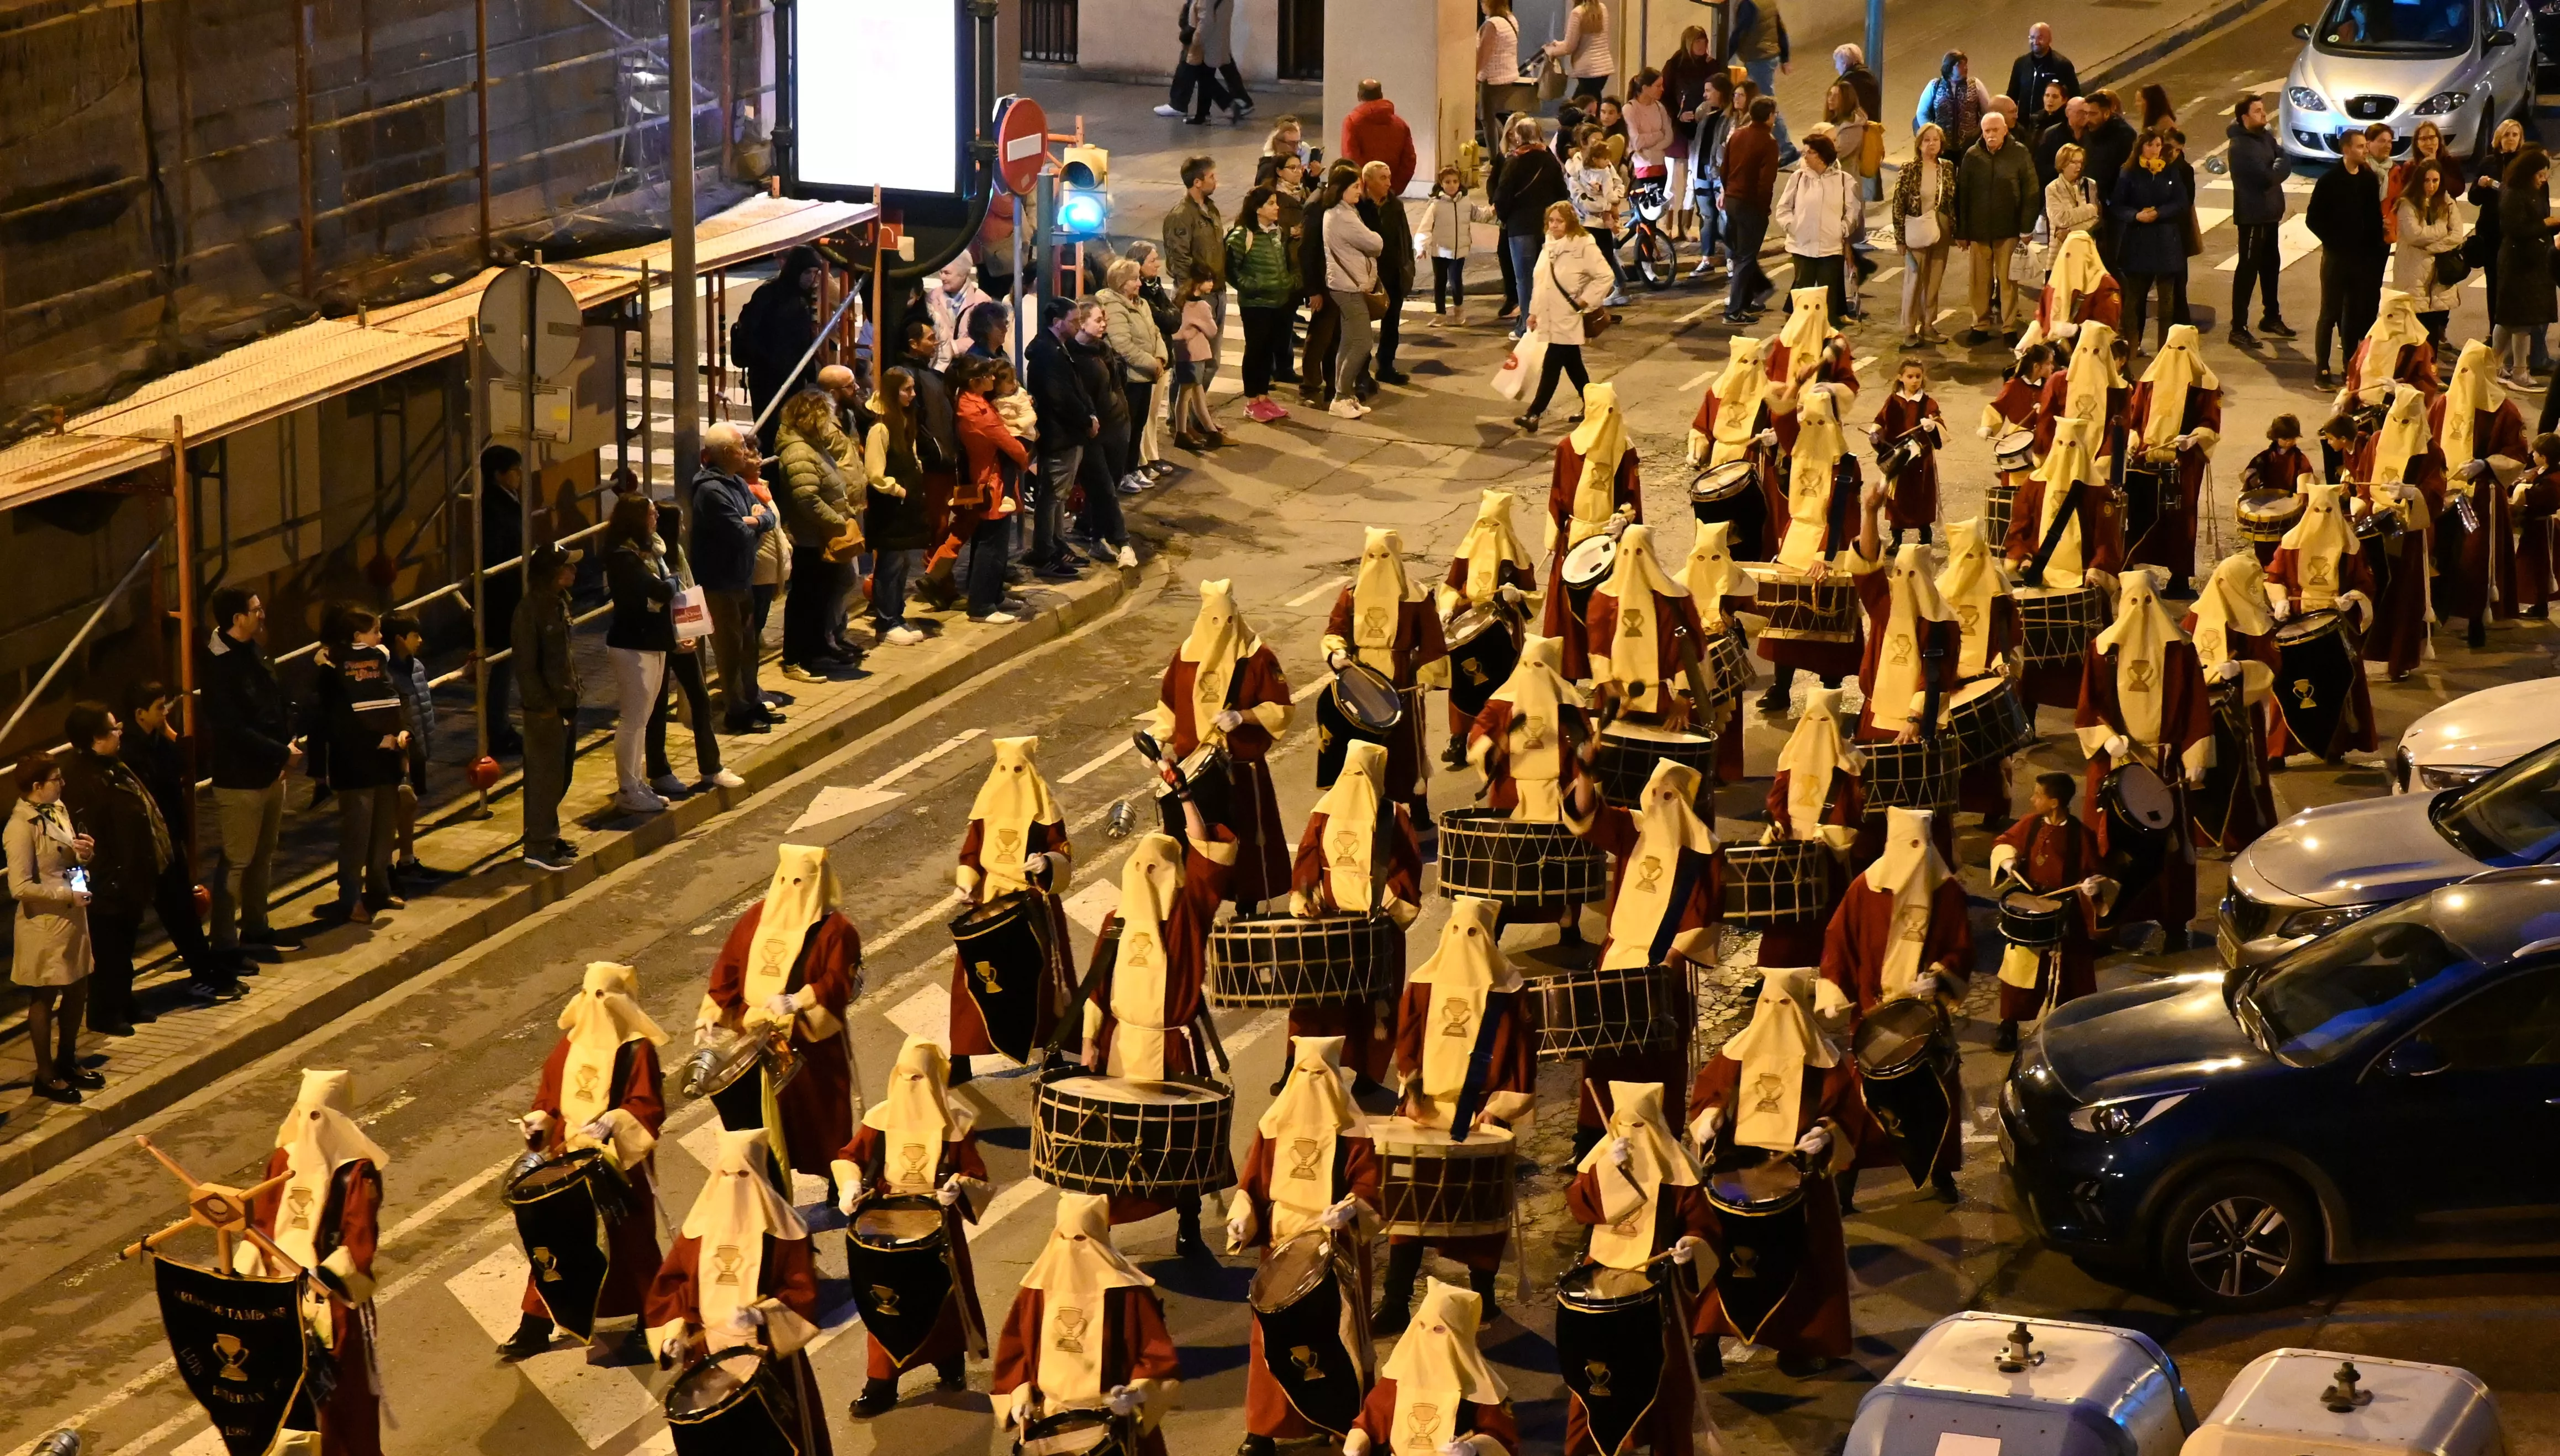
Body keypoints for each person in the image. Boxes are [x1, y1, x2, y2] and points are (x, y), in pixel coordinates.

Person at [1685, 968, 1857, 1373]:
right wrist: (1710, 1116)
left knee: (1804, 1264)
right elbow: (1711, 1093)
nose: (1773, 1012)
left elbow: (1844, 1113)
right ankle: (1705, 1338)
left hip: (1800, 1178)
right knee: (1720, 1258)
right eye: (1766, 1003)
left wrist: (1825, 1133)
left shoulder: (1824, 1061)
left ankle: (1800, 1344)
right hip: (1737, 1175)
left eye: (1784, 1004)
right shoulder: (1737, 1051)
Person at [1080, 793, 1232, 1252]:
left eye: (1158, 869)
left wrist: (1186, 796)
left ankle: (1189, 1221)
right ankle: (1100, 1223)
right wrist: (1088, 1040)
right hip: (1120, 1045)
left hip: (1170, 1047)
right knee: (1116, 1139)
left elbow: (1208, 853)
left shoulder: (1188, 917)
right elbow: (1096, 989)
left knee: (1179, 1137)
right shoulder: (1115, 922)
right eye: (1140, 868)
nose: (1148, 878)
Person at [497, 961, 668, 1360]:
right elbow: (550, 1097)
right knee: (556, 1241)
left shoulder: (636, 1048)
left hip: (618, 1160)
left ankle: (653, 1319)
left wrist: (614, 1120)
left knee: (632, 1241)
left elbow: (647, 1105)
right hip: (569, 1158)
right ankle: (536, 1322)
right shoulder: (569, 1045)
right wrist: (540, 1119)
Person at [1377, 897, 1535, 1330]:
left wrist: (1497, 1109)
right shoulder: (1425, 982)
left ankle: (1482, 1296)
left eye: (1473, 932)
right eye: (1455, 931)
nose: (1462, 941)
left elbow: (1522, 1058)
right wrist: (1412, 1089)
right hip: (1425, 1113)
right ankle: (1395, 1301)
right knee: (1410, 1208)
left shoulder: (1508, 987)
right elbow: (1407, 1042)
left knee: (1481, 1213)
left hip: (1482, 1115)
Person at [1228, 1036, 1380, 1456]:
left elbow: (1367, 1183)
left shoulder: (1352, 1129)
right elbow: (1253, 1181)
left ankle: (1343, 1419)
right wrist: (1243, 1214)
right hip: (1282, 1243)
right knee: (1270, 1338)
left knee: (1338, 1336)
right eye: (1304, 1073)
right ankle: (1263, 1426)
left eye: (1320, 1074)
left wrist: (1350, 1210)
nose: (1312, 1082)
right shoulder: (1273, 1125)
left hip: (1336, 1248)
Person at [1562, 757, 1719, 1157]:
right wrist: (1583, 775)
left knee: (1657, 1058)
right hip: (1616, 959)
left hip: (1662, 971)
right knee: (1602, 1055)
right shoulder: (1633, 829)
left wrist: (1672, 957)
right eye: (1655, 793)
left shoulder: (1703, 851)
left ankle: (1657, 1137)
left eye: (1670, 796)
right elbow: (1589, 816)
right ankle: (1592, 1138)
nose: (1660, 802)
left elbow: (1706, 915)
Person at [645, 1127, 832, 1453]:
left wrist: (764, 1314)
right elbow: (675, 1284)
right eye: (726, 1174)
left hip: (768, 1358)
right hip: (709, 1358)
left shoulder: (785, 1232)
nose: (734, 1182)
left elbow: (801, 1293)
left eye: (743, 1174)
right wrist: (673, 1335)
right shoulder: (699, 1230)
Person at [1822, 806, 1972, 1200]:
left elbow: (1960, 945)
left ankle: (1940, 1172)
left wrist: (1939, 976)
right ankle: (1847, 1181)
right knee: (1867, 1104)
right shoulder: (1865, 888)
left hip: (1926, 1016)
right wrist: (1834, 988)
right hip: (1875, 1011)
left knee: (1936, 1097)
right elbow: (1840, 938)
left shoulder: (1945, 889)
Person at [835, 1037, 991, 1415]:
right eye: (905, 1077)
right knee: (885, 1303)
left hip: (938, 1223)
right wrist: (851, 1185)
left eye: (919, 1078)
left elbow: (975, 1174)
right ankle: (882, 1381)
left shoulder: (956, 1122)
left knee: (943, 1300)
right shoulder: (880, 1117)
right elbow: (849, 1157)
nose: (911, 1085)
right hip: (885, 1218)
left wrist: (959, 1188)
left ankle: (949, 1360)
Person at [240, 1070, 388, 1454]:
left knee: (342, 1400)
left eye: (318, 1114)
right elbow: (261, 1222)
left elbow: (359, 1241)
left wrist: (321, 1278)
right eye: (303, 1112)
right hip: (279, 1298)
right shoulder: (282, 1159)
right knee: (282, 1400)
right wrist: (246, 1271)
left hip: (330, 1302)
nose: (309, 1124)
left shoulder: (355, 1172)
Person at [701, 844, 862, 1190]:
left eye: (800, 882)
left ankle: (838, 1178)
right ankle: (770, 1182)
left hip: (809, 1039)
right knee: (768, 1114)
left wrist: (799, 1000)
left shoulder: (837, 929)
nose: (792, 889)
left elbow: (838, 979)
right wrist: (713, 1010)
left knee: (822, 1112)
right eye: (786, 880)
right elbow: (729, 964)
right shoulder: (756, 917)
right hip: (755, 1033)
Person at [1560, 1083, 1711, 1452]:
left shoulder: (1679, 1174)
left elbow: (1701, 1226)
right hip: (1602, 1281)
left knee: (1668, 1382)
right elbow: (1581, 1206)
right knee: (1592, 1381)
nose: (1631, 1136)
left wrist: (1691, 1247)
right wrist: (1606, 1170)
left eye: (1639, 1127)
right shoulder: (1602, 1164)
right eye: (1622, 1126)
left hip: (1661, 1289)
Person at [2075, 568, 2214, 946]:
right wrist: (2106, 739)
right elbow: (2088, 707)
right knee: (2109, 850)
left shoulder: (2180, 648)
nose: (2138, 610)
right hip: (2114, 763)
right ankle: (2107, 925)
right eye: (2131, 601)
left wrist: (2194, 752)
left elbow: (2195, 707)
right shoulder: (2102, 649)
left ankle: (2172, 922)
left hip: (2163, 763)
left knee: (2170, 850)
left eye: (2146, 601)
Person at [1146, 579, 1293, 907]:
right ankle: (1196, 906)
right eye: (1214, 620)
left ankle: (1248, 905)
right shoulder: (1184, 657)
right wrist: (1157, 737)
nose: (1222, 627)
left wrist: (1245, 717)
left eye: (1227, 619)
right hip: (1194, 769)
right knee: (1196, 844)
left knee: (1248, 844)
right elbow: (1169, 707)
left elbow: (1281, 708)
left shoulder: (1256, 655)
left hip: (1241, 769)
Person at [996, 1195, 1181, 1456]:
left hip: (1110, 1415)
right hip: (1052, 1417)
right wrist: (1019, 1398)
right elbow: (1015, 1353)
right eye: (1064, 1238)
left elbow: (1156, 1355)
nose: (1072, 1248)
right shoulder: (1035, 1291)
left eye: (1081, 1239)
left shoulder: (1129, 1293)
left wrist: (1136, 1394)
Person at [946, 736, 1076, 1085]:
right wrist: (966, 882)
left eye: (1018, 769)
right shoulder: (986, 812)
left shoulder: (1044, 811)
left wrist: (1046, 862)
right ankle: (961, 1055)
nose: (1011, 776)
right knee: (973, 981)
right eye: (1004, 769)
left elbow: (1062, 852)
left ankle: (1053, 1049)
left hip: (1030, 902)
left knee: (1043, 979)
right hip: (990, 902)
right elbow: (971, 853)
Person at [120, 682, 247, 999]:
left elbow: (188, 764)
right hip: (150, 846)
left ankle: (205, 970)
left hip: (168, 839)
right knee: (172, 912)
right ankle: (202, 974)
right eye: (160, 708)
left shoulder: (158, 742)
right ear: (140, 714)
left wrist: (171, 733)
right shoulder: (133, 753)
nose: (166, 713)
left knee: (182, 912)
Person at [1322, 528, 1449, 830]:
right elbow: (1335, 630)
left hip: (1402, 681)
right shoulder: (1351, 595)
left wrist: (1429, 675)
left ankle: (1418, 812)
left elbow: (1432, 639)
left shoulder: (1416, 596)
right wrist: (1336, 652)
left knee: (1407, 750)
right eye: (1371, 556)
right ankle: (1364, 807)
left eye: (1384, 556)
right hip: (1360, 683)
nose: (1377, 562)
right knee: (1361, 746)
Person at [1756, 383, 1874, 710]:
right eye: (1807, 421)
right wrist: (1789, 389)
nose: (1811, 429)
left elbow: (1844, 514)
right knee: (1786, 623)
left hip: (1829, 546)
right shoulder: (1800, 447)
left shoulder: (1847, 464)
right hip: (1796, 541)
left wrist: (1826, 555)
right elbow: (1782, 420)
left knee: (1830, 623)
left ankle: (1829, 692)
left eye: (1818, 422)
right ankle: (1781, 689)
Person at [201, 586, 302, 960]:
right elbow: (231, 728)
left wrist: (286, 741)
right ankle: (225, 943)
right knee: (237, 860)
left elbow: (272, 701)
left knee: (264, 854)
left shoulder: (253, 650)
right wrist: (280, 751)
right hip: (241, 780)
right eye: (255, 610)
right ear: (236, 619)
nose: (262, 614)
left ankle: (256, 927)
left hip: (271, 772)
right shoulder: (218, 665)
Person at [57, 702, 167, 1034]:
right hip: (106, 882)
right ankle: (105, 1013)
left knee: (124, 946)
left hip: (126, 875)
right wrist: (84, 891)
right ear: (95, 739)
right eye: (113, 728)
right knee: (108, 952)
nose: (120, 733)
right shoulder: (82, 781)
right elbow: (76, 842)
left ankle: (123, 1001)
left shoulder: (112, 767)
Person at [1987, 774, 2113, 1051]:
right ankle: (2009, 1024)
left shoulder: (2081, 835)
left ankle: (2067, 1025)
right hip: (2030, 906)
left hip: (2063, 913)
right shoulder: (2030, 825)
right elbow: (2004, 840)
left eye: (2038, 795)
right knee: (2017, 971)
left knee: (2068, 974)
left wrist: (2093, 887)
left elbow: (2100, 874)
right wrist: (2007, 858)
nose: (2032, 799)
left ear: (2054, 802)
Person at [2261, 483, 2380, 762]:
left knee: (2337, 685)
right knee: (2288, 685)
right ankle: (2278, 750)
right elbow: (2274, 578)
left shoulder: (2350, 546)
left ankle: (2333, 745)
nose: (2323, 516)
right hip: (2299, 620)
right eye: (2317, 510)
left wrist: (2354, 597)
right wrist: (2280, 601)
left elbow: (2366, 582)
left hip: (2335, 623)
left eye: (2329, 510)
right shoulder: (2291, 542)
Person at [308, 606, 409, 921]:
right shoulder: (332, 672)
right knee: (357, 835)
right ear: (356, 637)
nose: (381, 638)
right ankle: (351, 899)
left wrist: (402, 731)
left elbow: (394, 699)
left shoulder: (378, 663)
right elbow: (335, 722)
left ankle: (379, 890)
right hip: (355, 763)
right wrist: (375, 739)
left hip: (385, 760)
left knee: (382, 833)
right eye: (375, 632)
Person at [2179, 549, 2283, 845]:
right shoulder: (2198, 615)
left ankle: (2241, 834)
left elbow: (2273, 666)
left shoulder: (2256, 622)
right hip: (2201, 707)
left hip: (2239, 709)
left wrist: (2242, 669)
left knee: (2240, 774)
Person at [2432, 340, 2530, 646]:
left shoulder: (2505, 410)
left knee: (2476, 557)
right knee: (2443, 554)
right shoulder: (2443, 404)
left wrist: (2486, 464)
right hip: (2445, 493)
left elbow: (2517, 455)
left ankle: (2478, 617)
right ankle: (2440, 612)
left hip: (2482, 494)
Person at [10, 753, 95, 1104]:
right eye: (56, 779)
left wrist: (84, 858)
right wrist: (64, 894)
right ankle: (45, 1075)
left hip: (72, 916)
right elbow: (19, 887)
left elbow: (68, 858)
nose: (63, 784)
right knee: (46, 994)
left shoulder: (58, 808)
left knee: (78, 987)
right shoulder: (20, 827)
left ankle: (68, 1059)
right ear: (37, 787)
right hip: (43, 923)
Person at [1935, 518, 2025, 827]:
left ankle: (1995, 808)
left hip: (1986, 676)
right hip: (1951, 678)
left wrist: (2003, 660)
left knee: (1994, 751)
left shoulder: (1998, 590)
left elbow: (2008, 634)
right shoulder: (1940, 590)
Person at [690, 423, 780, 734]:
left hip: (742, 578)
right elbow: (740, 533)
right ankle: (736, 712)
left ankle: (751, 700)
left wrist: (755, 519)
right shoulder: (711, 490)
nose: (748, 453)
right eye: (742, 447)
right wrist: (756, 521)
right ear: (727, 453)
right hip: (720, 582)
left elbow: (767, 516)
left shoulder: (736, 483)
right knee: (730, 650)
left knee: (748, 646)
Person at [2121, 323, 2221, 596]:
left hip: (2183, 463)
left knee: (2181, 518)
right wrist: (2133, 437)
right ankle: (2128, 562)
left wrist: (2194, 437)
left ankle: (2179, 579)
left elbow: (2210, 423)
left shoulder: (2206, 384)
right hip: (2146, 458)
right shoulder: (2149, 378)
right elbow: (2136, 414)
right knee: (2139, 512)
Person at [773, 388, 861, 684]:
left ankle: (815, 651)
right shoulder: (799, 451)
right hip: (809, 538)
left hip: (820, 536)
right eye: (826, 415)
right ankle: (795, 659)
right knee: (805, 600)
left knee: (820, 596)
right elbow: (806, 499)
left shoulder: (812, 445)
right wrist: (838, 521)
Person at [1581, 523, 1708, 727]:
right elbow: (1598, 648)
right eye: (1627, 552)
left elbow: (1691, 648)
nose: (1633, 561)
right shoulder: (1604, 597)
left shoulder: (1675, 598)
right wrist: (1611, 692)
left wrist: (1684, 696)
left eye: (1639, 552)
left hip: (1663, 702)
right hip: (1615, 697)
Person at [2360, 386, 2444, 676]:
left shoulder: (2431, 451)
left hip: (2408, 532)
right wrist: (2360, 499)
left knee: (2405, 595)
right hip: (2376, 528)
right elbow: (2364, 474)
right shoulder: (2377, 441)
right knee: (2372, 589)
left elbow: (2436, 490)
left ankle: (2400, 661)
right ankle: (2367, 652)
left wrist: (2414, 493)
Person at [507, 544, 580, 871]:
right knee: (544, 777)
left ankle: (548, 833)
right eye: (567, 567)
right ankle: (538, 844)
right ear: (550, 573)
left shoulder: (558, 604)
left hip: (565, 703)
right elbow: (526, 665)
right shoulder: (529, 611)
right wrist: (542, 706)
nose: (574, 572)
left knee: (561, 775)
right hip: (546, 709)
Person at [1516, 202, 1614, 431]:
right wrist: (1533, 312)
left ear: (1570, 222)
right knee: (1573, 364)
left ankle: (1534, 413)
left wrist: (1585, 300)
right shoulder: (1549, 246)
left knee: (1553, 363)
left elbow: (1605, 276)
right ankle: (1593, 406)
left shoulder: (1583, 245)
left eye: (1559, 221)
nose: (1554, 225)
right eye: (1551, 220)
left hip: (1568, 315)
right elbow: (1541, 283)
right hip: (1550, 315)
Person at [952, 356, 1031, 624]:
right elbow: (1008, 443)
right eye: (988, 375)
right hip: (990, 481)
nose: (993, 378)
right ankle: (982, 605)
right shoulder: (977, 411)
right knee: (991, 545)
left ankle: (993, 596)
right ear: (976, 381)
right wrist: (1025, 455)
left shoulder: (972, 403)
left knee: (994, 542)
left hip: (990, 477)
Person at [2307, 128, 2387, 390]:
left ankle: (2349, 368)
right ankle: (2322, 369)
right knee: (2329, 313)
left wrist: (2373, 250)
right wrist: (2334, 241)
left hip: (2360, 260)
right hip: (2336, 259)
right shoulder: (2330, 181)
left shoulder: (2367, 179)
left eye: (2365, 146)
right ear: (2346, 150)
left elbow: (2373, 218)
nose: (2365, 151)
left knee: (2352, 316)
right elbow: (2313, 219)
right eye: (2360, 147)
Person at [2210, 96, 2287, 350]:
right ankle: (2238, 327)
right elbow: (2267, 177)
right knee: (2248, 269)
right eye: (2258, 111)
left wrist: (2278, 166)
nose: (2264, 115)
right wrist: (2277, 169)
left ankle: (2271, 316)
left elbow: (2284, 158)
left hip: (2271, 213)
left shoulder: (2265, 136)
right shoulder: (2240, 147)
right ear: (2245, 118)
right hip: (2253, 216)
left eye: (2263, 110)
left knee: (2271, 266)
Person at [733, 246, 826, 452]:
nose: (812, 278)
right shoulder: (781, 298)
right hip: (771, 379)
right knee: (774, 434)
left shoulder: (788, 295)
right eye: (807, 273)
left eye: (815, 273)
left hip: (780, 377)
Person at [2112, 130, 2189, 353]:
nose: (2155, 149)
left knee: (2167, 303)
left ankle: (2164, 349)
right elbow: (2117, 205)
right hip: (2139, 242)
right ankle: (2132, 346)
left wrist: (2160, 212)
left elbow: (2181, 202)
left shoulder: (2170, 170)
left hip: (2166, 243)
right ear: (2141, 147)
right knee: (2134, 300)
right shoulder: (2129, 173)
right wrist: (2136, 216)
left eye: (2158, 145)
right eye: (2151, 145)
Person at [1491, 118, 1570, 336]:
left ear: (1518, 136)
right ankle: (1547, 323)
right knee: (1545, 278)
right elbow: (1562, 193)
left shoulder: (1514, 161)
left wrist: (1506, 218)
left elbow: (1502, 196)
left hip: (1521, 227)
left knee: (1524, 280)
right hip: (1547, 227)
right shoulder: (1549, 159)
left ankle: (1526, 326)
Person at [1221, 193, 1295, 426]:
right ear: (1257, 209)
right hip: (1255, 304)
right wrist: (1251, 286)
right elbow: (1232, 270)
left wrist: (1290, 282)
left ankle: (1264, 397)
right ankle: (1253, 401)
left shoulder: (1277, 232)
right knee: (1256, 350)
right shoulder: (1243, 235)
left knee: (1269, 351)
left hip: (1278, 301)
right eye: (1271, 204)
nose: (1277, 208)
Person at [1773, 134, 1861, 325]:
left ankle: (1827, 335)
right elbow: (1783, 208)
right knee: (1803, 292)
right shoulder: (1798, 178)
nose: (1806, 156)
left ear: (1822, 155)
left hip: (1831, 247)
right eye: (1805, 152)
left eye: (1810, 152)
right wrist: (1792, 226)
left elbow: (1852, 210)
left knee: (1827, 295)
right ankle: (1800, 332)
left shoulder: (1844, 180)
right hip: (1801, 246)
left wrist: (1843, 229)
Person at [477, 444, 530, 753]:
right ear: (499, 475)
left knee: (508, 664)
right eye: (515, 471)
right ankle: (497, 729)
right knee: (502, 665)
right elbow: (497, 556)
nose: (520, 476)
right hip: (504, 598)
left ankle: (501, 725)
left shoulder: (509, 501)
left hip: (513, 594)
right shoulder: (494, 508)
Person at [1323, 168, 1386, 419]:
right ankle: (1340, 397)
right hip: (1349, 287)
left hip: (1345, 284)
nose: (1360, 191)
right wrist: (1375, 239)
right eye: (1355, 187)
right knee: (1362, 343)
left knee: (1349, 342)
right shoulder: (1343, 217)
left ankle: (1345, 396)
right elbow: (1376, 244)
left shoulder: (1342, 212)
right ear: (1341, 189)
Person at [2496, 145, 2560, 387]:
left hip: (2533, 260)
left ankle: (2496, 365)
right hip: (2517, 262)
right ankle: (2519, 371)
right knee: (2518, 320)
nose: (2543, 179)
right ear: (2529, 172)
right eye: (2540, 174)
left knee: (2512, 320)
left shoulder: (2535, 192)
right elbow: (2515, 229)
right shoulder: (2513, 193)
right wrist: (2545, 225)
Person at [1161, 156, 1227, 377]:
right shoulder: (1180, 216)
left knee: (1211, 362)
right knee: (1189, 364)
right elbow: (1179, 259)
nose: (1215, 181)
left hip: (1217, 292)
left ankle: (1195, 411)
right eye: (1211, 177)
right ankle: (1179, 412)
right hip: (1197, 295)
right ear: (1197, 182)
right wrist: (1195, 293)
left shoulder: (1211, 210)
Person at [1893, 124, 1957, 346]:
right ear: (1919, 145)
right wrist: (1900, 238)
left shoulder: (1947, 168)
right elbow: (1898, 204)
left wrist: (1956, 232)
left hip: (1941, 229)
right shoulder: (1909, 168)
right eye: (1927, 140)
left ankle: (1928, 325)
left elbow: (1952, 202)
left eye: (1936, 140)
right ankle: (1910, 329)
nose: (1932, 144)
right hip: (1916, 230)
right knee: (1915, 280)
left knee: (1934, 281)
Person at [1720, 97, 1782, 322]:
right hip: (1751, 205)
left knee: (1740, 254)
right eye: (1775, 114)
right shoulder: (1769, 142)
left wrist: (1728, 193)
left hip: (1733, 201)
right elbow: (1766, 182)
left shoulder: (1738, 135)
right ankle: (1734, 311)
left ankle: (1746, 303)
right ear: (1769, 117)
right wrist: (1764, 209)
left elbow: (1724, 169)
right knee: (1746, 258)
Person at [1873, 359, 1948, 537]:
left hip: (1921, 459)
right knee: (1897, 498)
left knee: (1921, 497)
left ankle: (1925, 533)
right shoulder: (1893, 400)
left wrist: (1933, 426)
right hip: (1899, 457)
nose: (1915, 380)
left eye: (1918, 377)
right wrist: (1875, 433)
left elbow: (1940, 426)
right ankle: (1896, 536)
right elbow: (1880, 421)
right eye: (1910, 376)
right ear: (1901, 378)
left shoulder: (1928, 403)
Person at [1566, 126, 1632, 304]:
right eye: (1595, 141)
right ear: (1584, 143)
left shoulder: (1605, 163)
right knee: (1590, 266)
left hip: (1603, 223)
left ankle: (1609, 296)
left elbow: (1618, 184)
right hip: (1586, 223)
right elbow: (1582, 200)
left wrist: (1615, 198)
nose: (1600, 144)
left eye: (1601, 139)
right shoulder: (1577, 167)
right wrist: (1608, 205)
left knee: (1606, 259)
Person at [1340, 78, 1417, 193]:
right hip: (1390, 191)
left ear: (1359, 96)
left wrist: (1364, 188)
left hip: (1363, 194)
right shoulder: (1401, 124)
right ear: (1381, 95)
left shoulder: (1352, 122)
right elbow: (1409, 160)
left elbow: (1351, 159)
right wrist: (1393, 188)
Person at [2005, 23, 2078, 135]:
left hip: (2050, 128)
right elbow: (2012, 95)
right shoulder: (2021, 64)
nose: (2036, 42)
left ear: (2050, 39)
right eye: (2032, 38)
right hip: (2023, 128)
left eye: (2040, 38)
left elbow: (2075, 96)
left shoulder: (2062, 65)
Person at [921, 256, 991, 372]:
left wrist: (954, 348)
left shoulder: (983, 301)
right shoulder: (931, 298)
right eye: (941, 272)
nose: (942, 277)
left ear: (964, 273)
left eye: (947, 273)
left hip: (970, 369)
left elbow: (983, 338)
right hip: (937, 369)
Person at [1475, 0, 1527, 155]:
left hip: (1492, 79)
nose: (1481, 6)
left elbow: (1483, 55)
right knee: (1490, 116)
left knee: (1486, 118)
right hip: (1507, 77)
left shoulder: (1492, 25)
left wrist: (1474, 77)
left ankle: (1495, 158)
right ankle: (1501, 152)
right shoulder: (1510, 19)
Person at [1913, 50, 1992, 152]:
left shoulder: (1975, 85)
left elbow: (1987, 112)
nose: (1966, 68)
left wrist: (1977, 132)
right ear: (1949, 67)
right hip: (1941, 146)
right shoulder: (1935, 86)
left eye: (1966, 65)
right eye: (1960, 65)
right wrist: (1930, 132)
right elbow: (1922, 113)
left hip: (1969, 146)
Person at [2518, 433, 2560, 616]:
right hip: (2535, 527)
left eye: (2535, 452)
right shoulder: (2545, 472)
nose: (2532, 454)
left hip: (2542, 530)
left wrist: (2522, 492)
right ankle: (2539, 604)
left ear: (2544, 457)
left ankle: (2541, 606)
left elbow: (2536, 498)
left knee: (2541, 568)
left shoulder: (2552, 481)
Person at [1542, 0, 1615, 102]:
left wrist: (1551, 51)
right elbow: (1589, 40)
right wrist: (1560, 44)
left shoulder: (1578, 13)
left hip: (1587, 69)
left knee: (1577, 108)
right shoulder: (1602, 9)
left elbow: (1569, 48)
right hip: (1603, 68)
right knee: (1591, 104)